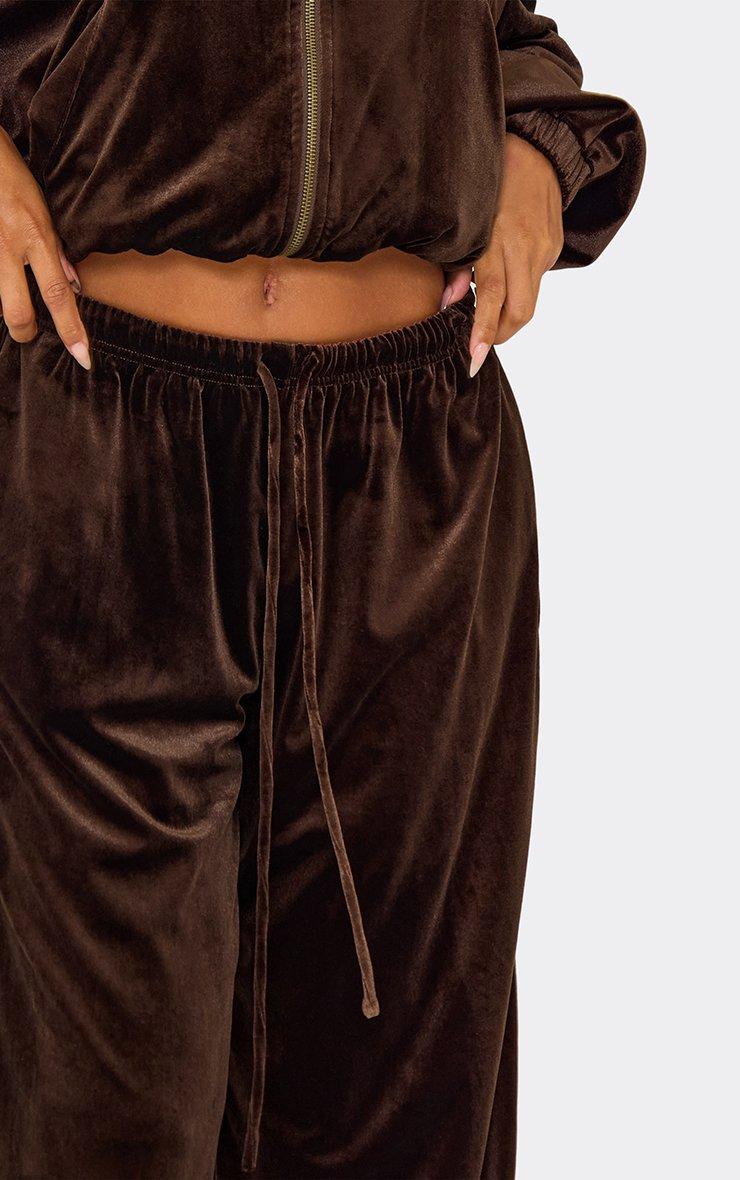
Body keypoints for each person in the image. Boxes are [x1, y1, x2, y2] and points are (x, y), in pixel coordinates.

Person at [0, 3, 645, 1177]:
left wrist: (532, 154)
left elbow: (500, 35)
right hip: (107, 465)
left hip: (412, 478)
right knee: (98, 1113)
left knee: (397, 1102)